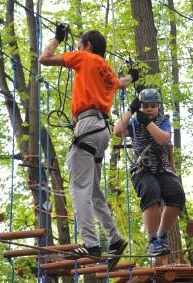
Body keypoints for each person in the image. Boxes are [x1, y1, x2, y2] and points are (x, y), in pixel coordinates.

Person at [39, 23, 139, 263]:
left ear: (88, 46)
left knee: (78, 188)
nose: (77, 48)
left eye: (79, 44)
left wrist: (57, 39)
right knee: (93, 190)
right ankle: (114, 238)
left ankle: (91, 244)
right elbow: (120, 83)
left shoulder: (84, 58)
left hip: (86, 127)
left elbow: (45, 59)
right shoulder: (106, 70)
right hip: (101, 130)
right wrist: (132, 77)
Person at [113, 89, 186, 256]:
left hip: (161, 167)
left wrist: (147, 122)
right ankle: (152, 240)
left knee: (177, 195)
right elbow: (117, 131)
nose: (149, 109)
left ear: (158, 107)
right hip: (143, 169)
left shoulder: (162, 121)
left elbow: (163, 139)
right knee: (151, 190)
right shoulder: (134, 122)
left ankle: (161, 234)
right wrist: (130, 111)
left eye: (153, 106)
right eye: (145, 106)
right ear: (141, 107)